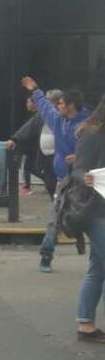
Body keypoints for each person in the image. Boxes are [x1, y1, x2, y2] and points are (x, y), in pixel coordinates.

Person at [19, 77, 90, 272]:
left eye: (61, 103)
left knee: (91, 217)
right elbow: (43, 106)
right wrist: (35, 89)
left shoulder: (89, 126)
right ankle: (46, 255)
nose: (57, 106)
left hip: (86, 181)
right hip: (64, 180)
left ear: (71, 106)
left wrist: (80, 156)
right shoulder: (58, 120)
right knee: (55, 217)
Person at [73, 95, 105, 343]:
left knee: (97, 267)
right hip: (96, 210)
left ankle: (85, 323)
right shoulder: (93, 133)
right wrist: (85, 176)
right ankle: (85, 323)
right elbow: (78, 168)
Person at [7, 90, 61, 198]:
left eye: (49, 101)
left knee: (60, 181)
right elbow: (29, 127)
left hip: (60, 154)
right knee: (50, 183)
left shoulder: (63, 115)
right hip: (46, 154)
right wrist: (15, 139)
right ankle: (56, 201)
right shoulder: (42, 114)